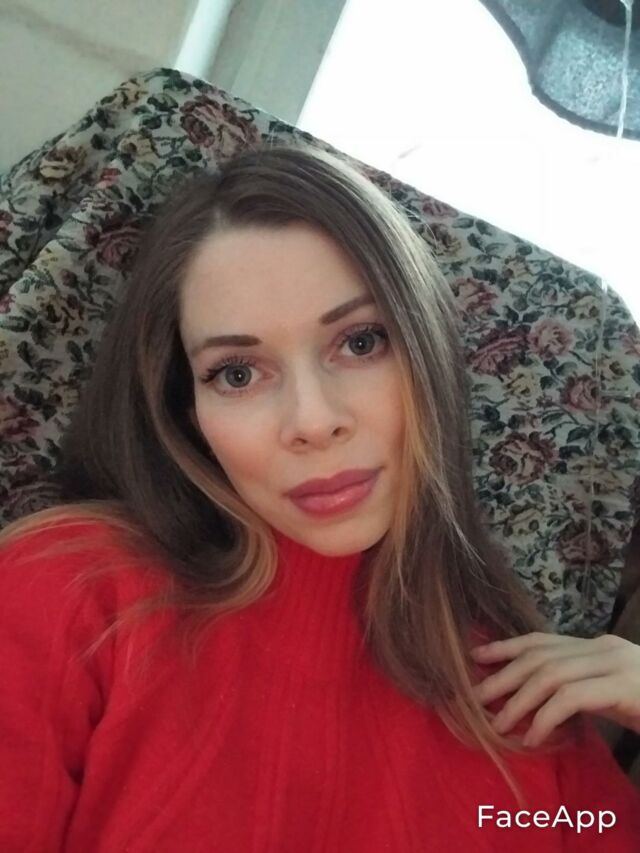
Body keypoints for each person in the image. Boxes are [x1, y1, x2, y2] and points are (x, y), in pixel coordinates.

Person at [1, 141, 639, 851]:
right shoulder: (70, 588)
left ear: (429, 354)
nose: (312, 420)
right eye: (237, 373)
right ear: (186, 409)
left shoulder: (519, 691)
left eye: (361, 342)